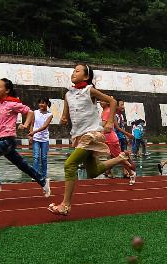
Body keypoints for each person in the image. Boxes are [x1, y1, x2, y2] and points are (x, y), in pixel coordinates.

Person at [48, 64, 134, 216]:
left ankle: (65, 205)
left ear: (86, 77)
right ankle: (120, 157)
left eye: (77, 71)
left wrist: (108, 123)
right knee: (93, 172)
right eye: (73, 71)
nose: (74, 73)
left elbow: (112, 102)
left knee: (70, 164)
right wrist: (63, 118)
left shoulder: (90, 90)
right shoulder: (68, 95)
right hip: (78, 136)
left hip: (91, 134)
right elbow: (65, 115)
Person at [0, 79, 50, 195]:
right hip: (0, 139)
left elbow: (30, 112)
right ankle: (43, 181)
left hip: (8, 140)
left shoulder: (13, 104)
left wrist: (26, 125)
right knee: (22, 165)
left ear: (7, 90)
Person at [101, 100, 136, 183]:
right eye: (121, 104)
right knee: (117, 156)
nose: (123, 106)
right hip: (113, 137)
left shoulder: (113, 113)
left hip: (114, 138)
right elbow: (115, 127)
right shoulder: (111, 113)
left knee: (119, 156)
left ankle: (129, 170)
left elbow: (113, 127)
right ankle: (129, 169)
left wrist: (126, 135)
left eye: (123, 104)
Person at [29, 97, 54, 182]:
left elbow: (44, 127)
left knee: (44, 157)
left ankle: (43, 175)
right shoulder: (35, 112)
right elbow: (31, 124)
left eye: (43, 103)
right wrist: (31, 135)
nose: (41, 105)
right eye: (40, 103)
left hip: (44, 139)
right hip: (36, 138)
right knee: (36, 157)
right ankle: (35, 175)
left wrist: (33, 132)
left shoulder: (50, 115)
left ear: (47, 104)